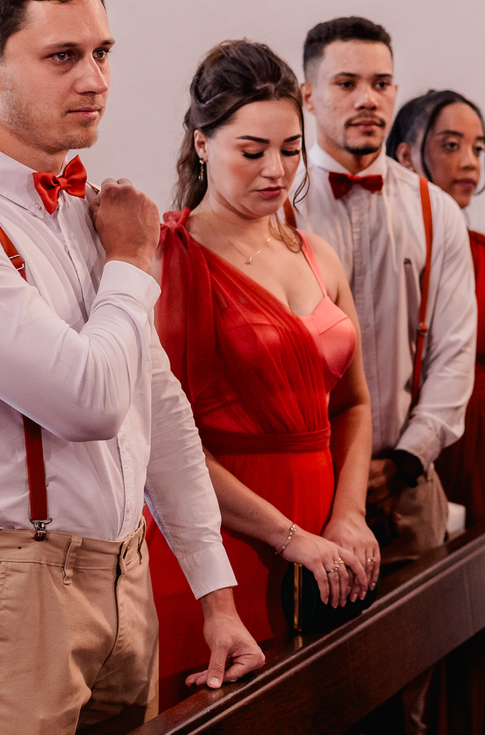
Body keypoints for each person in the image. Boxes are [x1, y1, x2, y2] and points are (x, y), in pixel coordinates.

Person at [0, 0, 262, 733]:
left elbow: (154, 403)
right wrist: (133, 263)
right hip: (3, 589)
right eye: (62, 57)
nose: (95, 80)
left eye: (102, 52)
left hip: (122, 572)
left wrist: (215, 593)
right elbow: (87, 402)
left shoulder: (86, 207)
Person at [143, 40, 377, 708]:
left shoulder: (316, 251)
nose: (276, 171)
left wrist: (349, 516)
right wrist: (288, 536)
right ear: (202, 144)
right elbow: (166, 443)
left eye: (291, 149)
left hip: (325, 532)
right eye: (253, 152)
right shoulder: (168, 259)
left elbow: (354, 404)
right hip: (220, 538)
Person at [291, 17, 477, 565]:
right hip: (306, 483)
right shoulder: (278, 203)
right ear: (309, 96)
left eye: (381, 83)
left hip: (408, 485)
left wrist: (405, 461)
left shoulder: (436, 211)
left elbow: (453, 353)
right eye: (347, 83)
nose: (368, 99)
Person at [387, 90, 485, 526]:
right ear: (406, 155)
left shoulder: (484, 250)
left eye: (477, 148)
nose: (470, 162)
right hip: (421, 446)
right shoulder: (395, 253)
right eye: (451, 145)